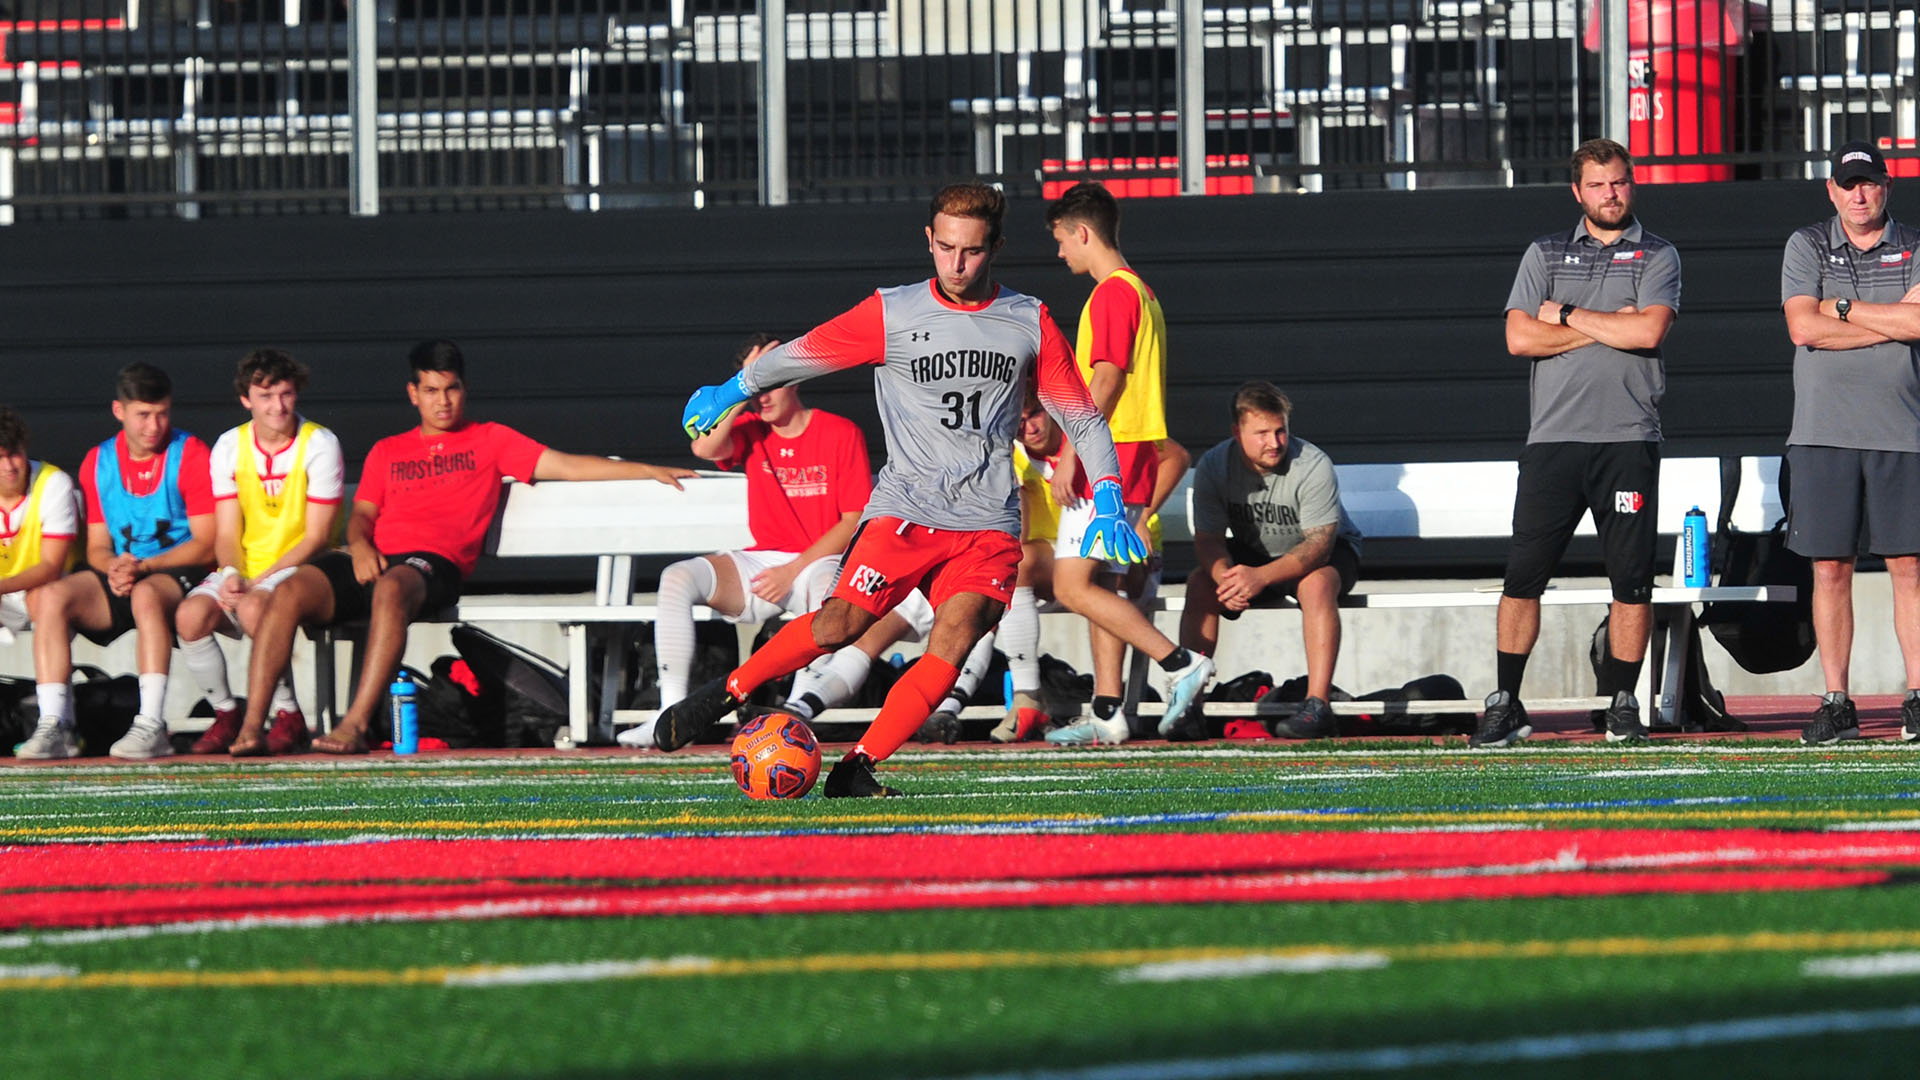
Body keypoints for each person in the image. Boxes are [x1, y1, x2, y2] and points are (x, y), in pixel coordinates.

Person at [658, 182, 1205, 797]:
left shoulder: (1028, 319)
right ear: (930, 240)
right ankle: (726, 693)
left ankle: (857, 768)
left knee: (956, 636)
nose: (956, 263)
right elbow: (806, 353)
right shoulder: (892, 311)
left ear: (994, 246)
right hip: (905, 511)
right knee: (839, 623)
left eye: (971, 251)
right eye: (945, 248)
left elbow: (1079, 414)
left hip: (988, 524)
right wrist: (735, 387)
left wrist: (1107, 493)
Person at [227, 340, 695, 756]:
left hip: (431, 565)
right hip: (372, 557)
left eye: (450, 388)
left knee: (392, 589)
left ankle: (354, 725)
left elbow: (568, 466)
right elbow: (364, 513)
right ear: (413, 394)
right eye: (431, 390)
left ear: (463, 389)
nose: (442, 400)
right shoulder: (389, 449)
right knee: (287, 592)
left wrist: (647, 469)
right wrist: (360, 544)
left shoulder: (490, 439)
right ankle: (253, 728)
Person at [1481, 137, 1680, 748]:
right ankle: (1506, 702)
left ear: (1632, 184)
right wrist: (1607, 328)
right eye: (1598, 185)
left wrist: (1564, 316)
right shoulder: (1544, 252)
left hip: (1627, 439)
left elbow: (1648, 333)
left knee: (1632, 581)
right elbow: (1518, 338)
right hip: (1553, 442)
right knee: (1523, 577)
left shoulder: (1658, 255)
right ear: (1579, 192)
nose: (1610, 194)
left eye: (1618, 182)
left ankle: (1622, 701)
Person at [616, 333, 871, 749]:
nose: (762, 397)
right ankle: (671, 713)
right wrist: (741, 387)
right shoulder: (750, 427)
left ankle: (796, 712)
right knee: (677, 577)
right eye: (755, 384)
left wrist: (792, 570)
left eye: (770, 382)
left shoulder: (840, 432)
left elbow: (852, 522)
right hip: (764, 564)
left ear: (796, 378)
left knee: (829, 586)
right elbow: (703, 445)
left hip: (817, 563)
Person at [1041, 181, 1211, 745]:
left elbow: (1106, 378)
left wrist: (1069, 451)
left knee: (1070, 586)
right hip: (1133, 449)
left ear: (1083, 233)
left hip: (1109, 452)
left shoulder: (1113, 293)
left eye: (1063, 240)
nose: (1060, 252)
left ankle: (1180, 663)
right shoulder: (1144, 292)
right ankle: (1110, 711)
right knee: (1104, 585)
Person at [1781, 140, 1920, 745]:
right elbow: (1801, 326)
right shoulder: (1806, 244)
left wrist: (1839, 308)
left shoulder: (1915, 244)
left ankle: (1917, 695)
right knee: (1830, 568)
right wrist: (1881, 320)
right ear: (1832, 190)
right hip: (1823, 432)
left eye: (1870, 183)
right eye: (1849, 184)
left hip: (1903, 431)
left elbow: (1918, 324)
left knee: (1910, 567)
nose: (1860, 194)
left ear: (1886, 186)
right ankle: (1837, 700)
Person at [15, 363, 215, 760]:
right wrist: (115, 567)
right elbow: (97, 547)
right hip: (125, 572)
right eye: (143, 414)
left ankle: (151, 723)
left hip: (175, 571)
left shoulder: (189, 452)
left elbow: (208, 543)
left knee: (145, 597)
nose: (153, 425)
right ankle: (57, 724)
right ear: (118, 411)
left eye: (162, 413)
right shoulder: (99, 461)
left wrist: (144, 568)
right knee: (51, 596)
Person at [175, 350, 343, 756]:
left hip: (303, 567)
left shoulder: (319, 443)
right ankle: (226, 712)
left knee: (254, 610)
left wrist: (258, 581)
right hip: (250, 566)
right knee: (189, 616)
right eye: (265, 397)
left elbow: (317, 536)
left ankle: (288, 715)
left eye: (285, 395)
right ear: (246, 399)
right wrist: (232, 570)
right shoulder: (230, 445)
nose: (277, 407)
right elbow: (228, 529)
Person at [1179, 382, 1362, 740]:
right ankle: (1189, 705)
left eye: (1280, 431)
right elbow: (1209, 540)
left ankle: (1317, 706)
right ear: (1237, 432)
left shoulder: (1311, 464)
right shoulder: (1215, 466)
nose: (1275, 442)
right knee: (1200, 583)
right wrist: (1224, 578)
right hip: (1254, 552)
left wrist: (1258, 578)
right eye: (1262, 433)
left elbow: (1320, 546)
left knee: (1317, 583)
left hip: (1325, 552)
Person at [0, 408, 79, 652]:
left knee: (44, 598)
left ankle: (54, 690)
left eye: (14, 454)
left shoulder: (53, 483)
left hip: (55, 588)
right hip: (5, 597)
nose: (8, 466)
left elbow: (50, 567)